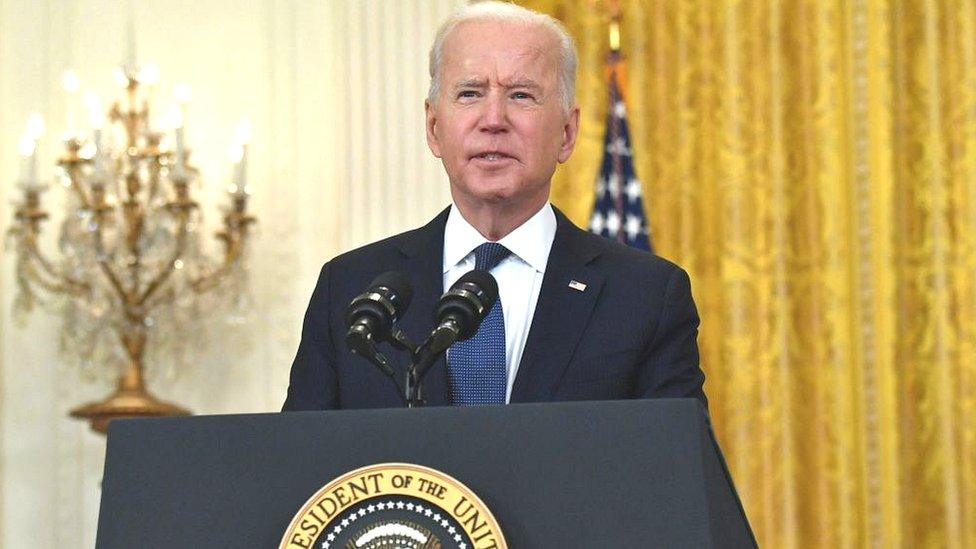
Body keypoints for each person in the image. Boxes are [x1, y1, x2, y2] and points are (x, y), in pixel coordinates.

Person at [282, 1, 706, 411]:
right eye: (470, 93)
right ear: (434, 128)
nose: (493, 119)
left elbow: (671, 473)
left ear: (567, 132)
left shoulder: (645, 296)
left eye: (521, 95)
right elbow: (301, 467)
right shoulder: (350, 289)